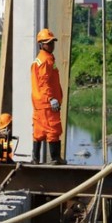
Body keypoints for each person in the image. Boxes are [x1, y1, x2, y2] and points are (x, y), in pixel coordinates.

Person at [31, 28, 66, 165]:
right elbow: (44, 82)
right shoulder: (45, 61)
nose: (52, 45)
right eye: (49, 43)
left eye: (52, 42)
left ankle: (35, 159)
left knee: (39, 130)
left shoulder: (40, 60)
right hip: (46, 103)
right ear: (41, 44)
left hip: (39, 103)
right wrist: (51, 99)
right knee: (53, 129)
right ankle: (55, 158)